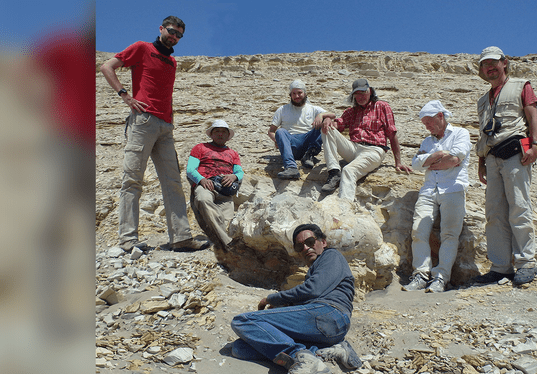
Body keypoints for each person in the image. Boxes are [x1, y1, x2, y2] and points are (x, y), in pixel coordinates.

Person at [100, 16, 209, 251]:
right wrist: (125, 95)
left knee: (173, 183)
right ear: (161, 28)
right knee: (132, 180)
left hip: (165, 127)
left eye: (179, 35)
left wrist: (170, 121)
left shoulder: (172, 62)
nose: (174, 37)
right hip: (143, 121)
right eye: (171, 32)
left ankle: (180, 237)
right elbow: (106, 66)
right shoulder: (142, 48)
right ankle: (128, 240)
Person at [230, 224, 362, 374]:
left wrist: (272, 299)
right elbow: (311, 296)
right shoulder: (316, 269)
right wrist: (287, 305)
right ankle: (332, 349)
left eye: (310, 242)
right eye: (300, 247)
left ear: (323, 242)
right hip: (326, 328)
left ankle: (302, 358)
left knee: (243, 321)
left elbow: (313, 289)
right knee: (241, 348)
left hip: (330, 314)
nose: (306, 248)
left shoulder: (331, 256)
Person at [473, 46, 537, 285]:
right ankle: (501, 266)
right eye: (485, 64)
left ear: (504, 62)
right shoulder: (483, 99)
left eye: (493, 63)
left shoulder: (522, 85)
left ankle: (526, 262)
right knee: (494, 213)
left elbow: (532, 116)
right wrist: (481, 162)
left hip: (515, 153)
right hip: (491, 158)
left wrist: (535, 146)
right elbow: (483, 132)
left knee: (519, 207)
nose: (489, 68)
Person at [402, 100, 471, 293]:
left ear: (440, 116)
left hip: (453, 189)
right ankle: (421, 274)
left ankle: (441, 278)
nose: (427, 126)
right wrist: (437, 156)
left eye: (429, 122)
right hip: (429, 190)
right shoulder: (427, 141)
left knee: (450, 234)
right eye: (424, 124)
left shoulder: (460, 134)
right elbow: (415, 164)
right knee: (418, 231)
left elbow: (455, 158)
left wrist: (430, 161)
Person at [321, 78, 412, 201]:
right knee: (327, 128)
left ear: (370, 91)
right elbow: (338, 125)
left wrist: (398, 162)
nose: (360, 97)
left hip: (373, 150)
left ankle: (345, 206)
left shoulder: (382, 107)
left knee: (348, 170)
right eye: (357, 94)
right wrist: (327, 120)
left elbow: (392, 134)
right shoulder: (351, 112)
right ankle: (334, 172)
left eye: (363, 93)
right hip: (353, 148)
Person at [186, 120, 243, 250]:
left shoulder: (233, 153)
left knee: (228, 224)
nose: (220, 134)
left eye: (224, 132)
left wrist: (233, 176)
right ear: (211, 134)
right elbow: (190, 170)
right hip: (206, 184)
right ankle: (228, 244)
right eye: (217, 131)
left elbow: (239, 172)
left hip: (225, 188)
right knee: (202, 199)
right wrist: (202, 180)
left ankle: (219, 242)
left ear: (228, 136)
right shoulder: (200, 148)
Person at [269, 80, 335, 180]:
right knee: (280, 131)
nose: (297, 96)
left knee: (323, 123)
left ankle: (309, 156)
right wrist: (277, 140)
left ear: (305, 93)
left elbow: (333, 115)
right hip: (291, 145)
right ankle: (291, 167)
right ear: (290, 95)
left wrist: (321, 115)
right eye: (293, 94)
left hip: (308, 143)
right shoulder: (282, 110)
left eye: (299, 93)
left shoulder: (313, 109)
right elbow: (271, 131)